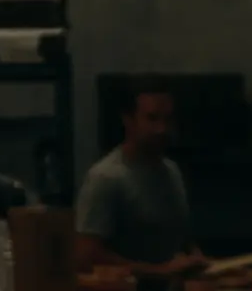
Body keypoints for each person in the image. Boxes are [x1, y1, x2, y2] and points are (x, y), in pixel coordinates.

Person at [74, 78, 208, 280]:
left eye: (168, 119)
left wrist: (197, 260)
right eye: (152, 119)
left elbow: (181, 238)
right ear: (128, 120)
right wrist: (159, 272)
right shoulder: (106, 178)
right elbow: (87, 255)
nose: (162, 129)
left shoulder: (172, 172)